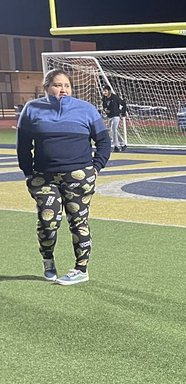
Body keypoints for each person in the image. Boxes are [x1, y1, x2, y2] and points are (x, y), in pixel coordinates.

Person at [16, 69, 111, 285]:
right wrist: (28, 172)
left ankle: (81, 269)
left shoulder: (86, 110)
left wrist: (95, 168)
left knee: (79, 222)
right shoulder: (32, 109)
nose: (63, 89)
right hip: (44, 178)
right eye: (58, 85)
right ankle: (48, 260)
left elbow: (104, 142)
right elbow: (23, 146)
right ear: (46, 87)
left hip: (79, 177)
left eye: (67, 85)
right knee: (47, 221)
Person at [101, 85, 127, 151]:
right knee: (113, 130)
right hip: (109, 116)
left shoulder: (115, 97)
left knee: (113, 128)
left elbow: (123, 103)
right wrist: (105, 110)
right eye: (103, 91)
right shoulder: (104, 98)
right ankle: (123, 143)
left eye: (105, 91)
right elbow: (104, 106)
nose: (104, 92)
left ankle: (116, 146)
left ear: (109, 91)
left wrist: (123, 112)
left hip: (116, 116)